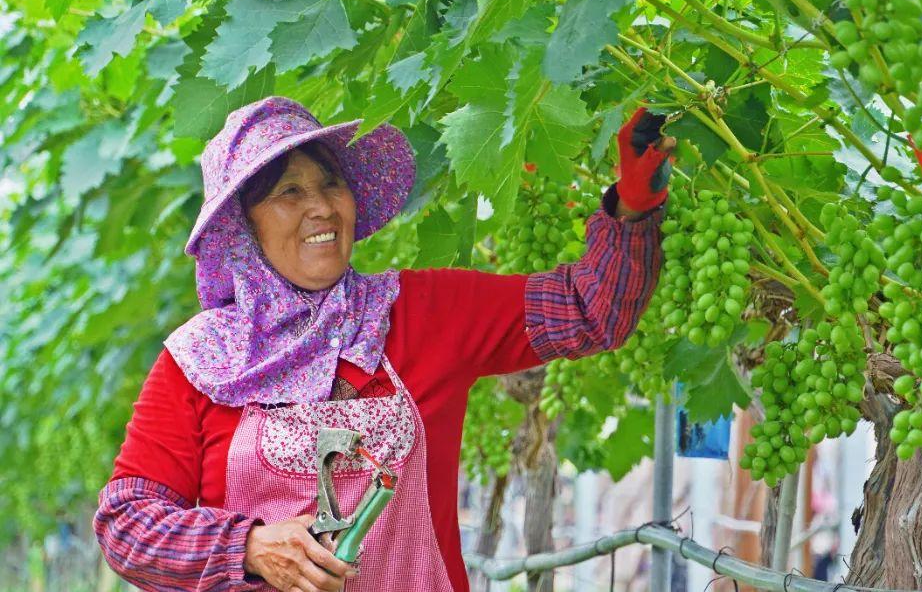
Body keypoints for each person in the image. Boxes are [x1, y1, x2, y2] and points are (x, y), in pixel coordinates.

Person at [93, 96, 675, 591]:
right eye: (288, 192)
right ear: (242, 227)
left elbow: (588, 309)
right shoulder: (200, 361)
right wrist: (248, 547)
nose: (321, 206)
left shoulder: (422, 312)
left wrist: (634, 204)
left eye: (329, 183)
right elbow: (126, 526)